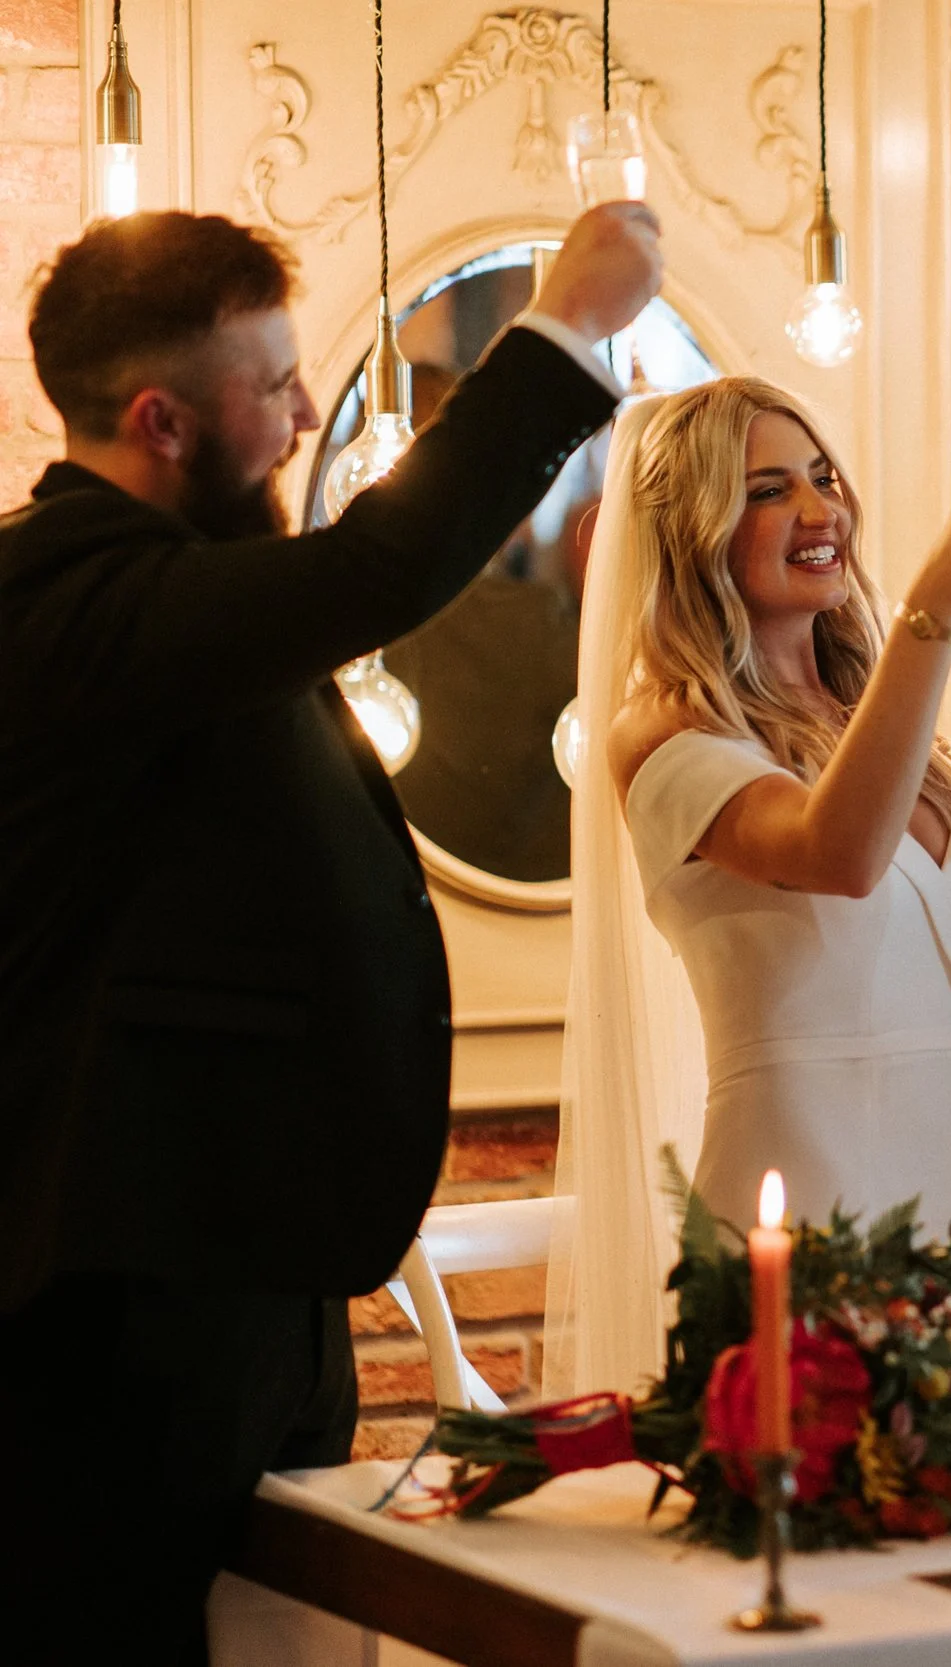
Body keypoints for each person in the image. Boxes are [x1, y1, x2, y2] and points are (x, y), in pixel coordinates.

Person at [0, 204, 660, 1662]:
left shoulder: (195, 596)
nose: (308, 414)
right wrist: (563, 329)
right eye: (276, 383)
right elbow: (377, 571)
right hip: (115, 1296)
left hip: (239, 1265)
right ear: (164, 419)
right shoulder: (60, 590)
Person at [554, 376, 951, 1383]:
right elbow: (839, 854)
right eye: (768, 489)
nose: (818, 508)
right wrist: (934, 610)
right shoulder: (665, 733)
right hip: (798, 1205)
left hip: (949, 1210)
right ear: (693, 530)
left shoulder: (866, 720)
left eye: (824, 477)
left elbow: (929, 1026)